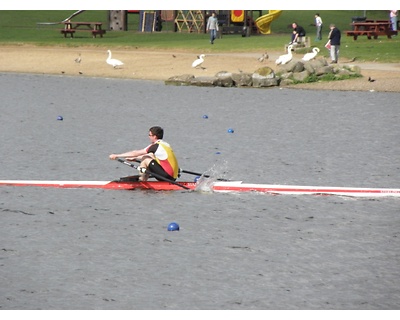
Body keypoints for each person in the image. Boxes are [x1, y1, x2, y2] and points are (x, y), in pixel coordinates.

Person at [109, 126, 179, 182]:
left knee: (145, 159)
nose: (149, 137)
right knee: (146, 157)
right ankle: (144, 180)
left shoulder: (155, 146)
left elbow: (135, 153)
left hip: (167, 177)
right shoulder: (165, 145)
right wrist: (135, 158)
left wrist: (117, 155)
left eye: (150, 135)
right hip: (173, 177)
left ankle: (141, 181)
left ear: (154, 136)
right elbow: (151, 156)